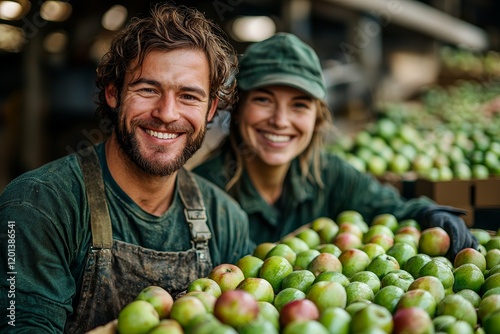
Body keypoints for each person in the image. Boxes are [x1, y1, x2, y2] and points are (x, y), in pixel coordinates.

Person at [0, 4, 255, 333]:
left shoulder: (225, 220)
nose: (166, 113)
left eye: (189, 96)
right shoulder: (39, 205)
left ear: (210, 110)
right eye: (148, 90)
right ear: (113, 93)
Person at [193, 33, 477, 260]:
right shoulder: (203, 194)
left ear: (317, 118)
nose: (280, 121)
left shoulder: (331, 175)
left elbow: (392, 208)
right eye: (263, 100)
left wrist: (431, 214)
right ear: (238, 107)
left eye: (299, 105)